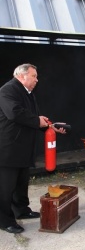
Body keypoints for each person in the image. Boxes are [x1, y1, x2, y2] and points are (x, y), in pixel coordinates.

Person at [0, 63, 66, 234]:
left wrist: (50, 127)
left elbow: (33, 118)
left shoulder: (28, 93)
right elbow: (14, 113)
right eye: (34, 76)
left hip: (22, 148)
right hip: (8, 148)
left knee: (21, 182)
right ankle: (5, 220)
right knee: (5, 187)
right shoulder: (7, 90)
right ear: (21, 76)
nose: (37, 80)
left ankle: (21, 210)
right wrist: (38, 120)